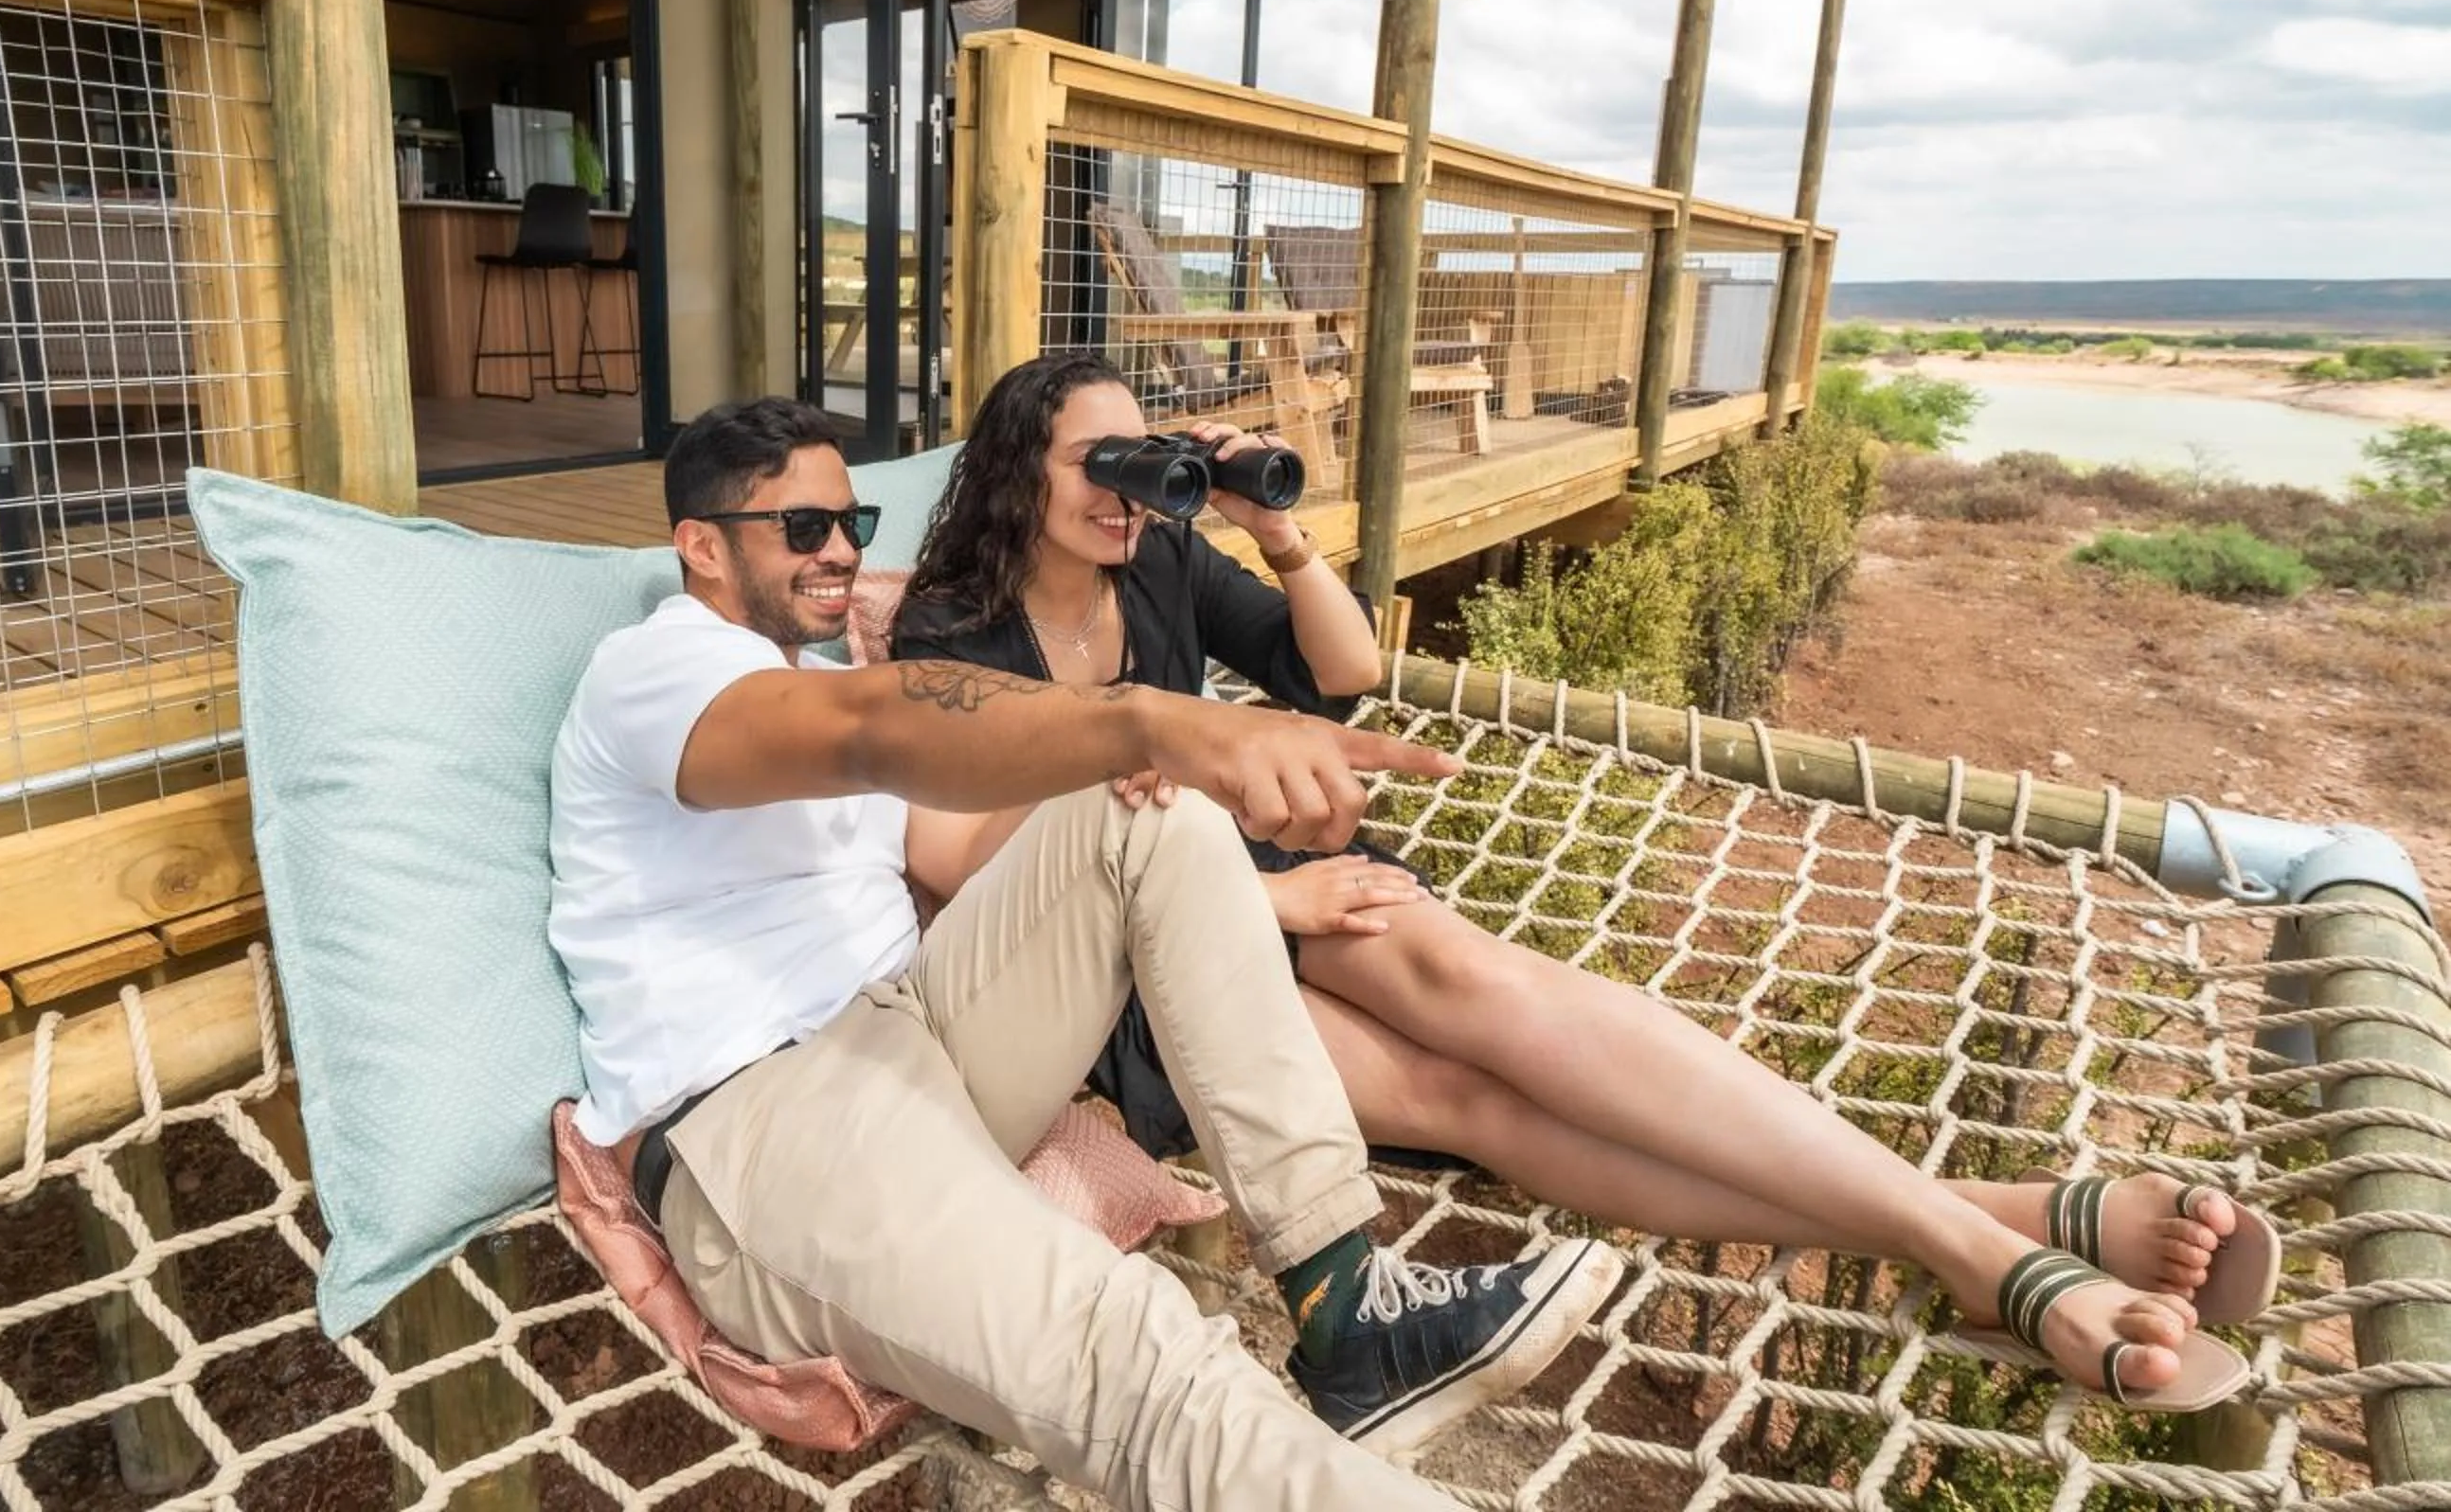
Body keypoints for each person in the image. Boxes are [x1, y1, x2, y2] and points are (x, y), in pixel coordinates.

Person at [890, 351, 2281, 1414]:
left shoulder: (1162, 563)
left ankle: (1980, 1242)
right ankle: (1997, 1239)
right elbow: (952, 863)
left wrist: (1280, 530)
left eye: (1142, 460)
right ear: (1019, 472)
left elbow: (1348, 672)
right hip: (1139, 959)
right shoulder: (954, 629)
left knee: (1474, 979)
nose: (1127, 493)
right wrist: (1268, 903)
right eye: (1097, 465)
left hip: (1267, 861)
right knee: (1465, 1100)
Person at [546, 397, 1628, 1512]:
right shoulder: (659, 671)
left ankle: (1339, 1297)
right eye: (803, 527)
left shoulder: (813, 681)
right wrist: (1143, 719)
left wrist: (1155, 777)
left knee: (1152, 817)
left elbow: (960, 837)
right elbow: (875, 725)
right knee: (1134, 1353)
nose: (839, 552)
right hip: (764, 1122)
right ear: (700, 545)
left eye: (854, 521)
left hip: (915, 1032)